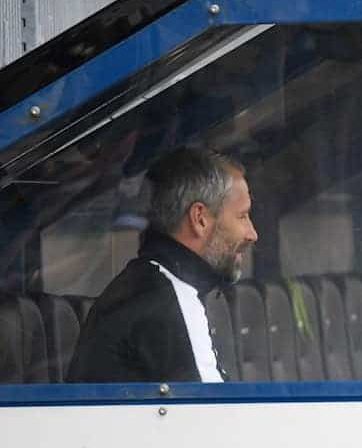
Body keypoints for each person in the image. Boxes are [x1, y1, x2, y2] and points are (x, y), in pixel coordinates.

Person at [67, 146, 258, 383]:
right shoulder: (170, 297)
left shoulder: (151, 283)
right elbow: (213, 414)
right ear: (200, 218)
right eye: (242, 216)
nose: (252, 234)